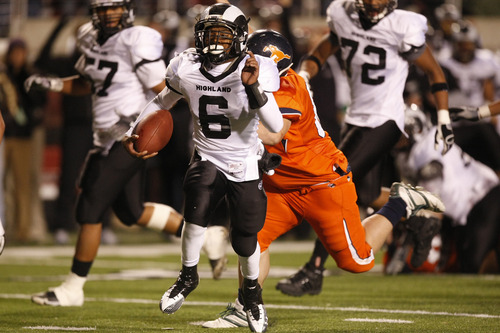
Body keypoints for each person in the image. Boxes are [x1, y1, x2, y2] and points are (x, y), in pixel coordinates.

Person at [201, 29, 446, 329]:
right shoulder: (243, 82)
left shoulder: (288, 87)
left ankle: (398, 203)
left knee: (357, 262)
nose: (242, 62)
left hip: (321, 183)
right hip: (281, 186)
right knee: (250, 239)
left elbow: (272, 132)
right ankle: (245, 306)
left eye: (249, 57)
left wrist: (222, 128)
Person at [275, 0, 455, 297]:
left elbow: (435, 73)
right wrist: (305, 74)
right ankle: (417, 215)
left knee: (331, 183)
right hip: (356, 118)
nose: (374, 4)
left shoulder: (403, 25)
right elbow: (323, 50)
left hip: (386, 119)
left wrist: (445, 118)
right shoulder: (344, 16)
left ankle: (313, 269)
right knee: (368, 195)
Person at [123, 4, 283, 333]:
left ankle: (251, 293)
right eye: (209, 33)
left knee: (245, 238)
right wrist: (135, 131)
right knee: (196, 205)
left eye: (223, 35)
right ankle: (187, 275)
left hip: (245, 162)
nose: (214, 42)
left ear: (240, 37)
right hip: (207, 155)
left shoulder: (256, 67)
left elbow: (276, 124)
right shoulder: (187, 66)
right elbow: (161, 101)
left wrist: (254, 88)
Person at [25, 0, 184, 307]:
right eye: (102, 9)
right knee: (131, 212)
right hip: (105, 138)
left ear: (127, 9)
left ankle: (73, 288)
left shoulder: (138, 37)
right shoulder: (89, 36)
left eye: (114, 8)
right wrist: (54, 83)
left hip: (128, 136)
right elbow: (90, 82)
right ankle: (204, 235)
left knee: (91, 205)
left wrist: (145, 126)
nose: (109, 14)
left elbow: (161, 89)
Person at [388, 105, 500, 274]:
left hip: (484, 198)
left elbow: (432, 205)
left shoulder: (423, 151)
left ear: (414, 129)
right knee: (463, 265)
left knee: (473, 264)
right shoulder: (419, 148)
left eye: (401, 133)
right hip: (469, 210)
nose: (396, 139)